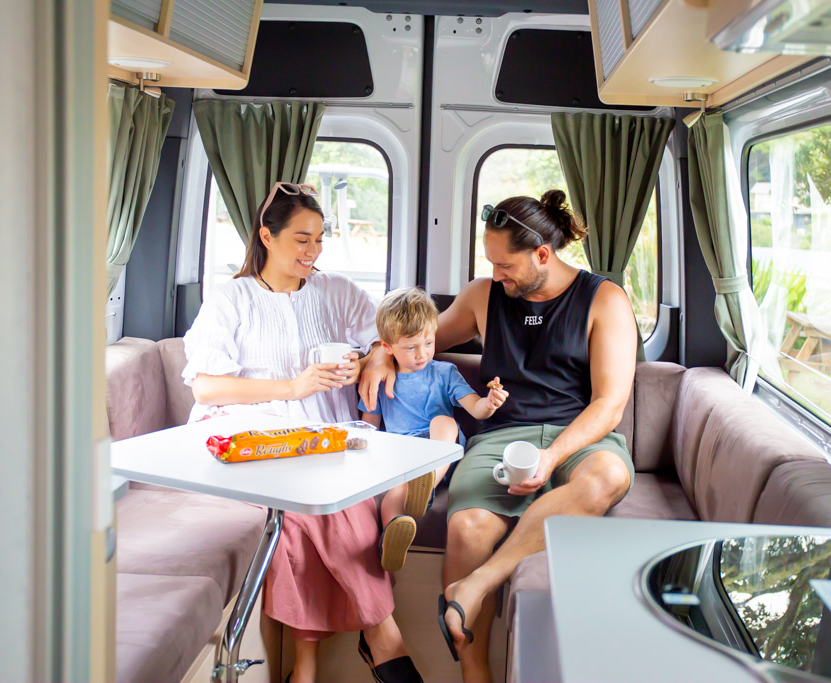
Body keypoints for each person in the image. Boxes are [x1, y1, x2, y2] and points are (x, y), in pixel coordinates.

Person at [360, 190, 637, 682]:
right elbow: (417, 340)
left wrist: (552, 457)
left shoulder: (604, 299)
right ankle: (475, 674)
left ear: (542, 255)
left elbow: (609, 405)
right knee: (466, 528)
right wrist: (379, 354)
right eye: (490, 263)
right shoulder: (483, 295)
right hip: (501, 437)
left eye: (505, 265)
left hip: (579, 438)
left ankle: (477, 584)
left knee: (609, 476)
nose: (496, 275)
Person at [182, 182, 422, 683]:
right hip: (251, 437)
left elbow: (381, 338)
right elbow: (205, 386)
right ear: (267, 237)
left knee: (298, 523)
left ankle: (305, 668)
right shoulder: (231, 299)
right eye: (301, 239)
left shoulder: (336, 291)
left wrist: (374, 359)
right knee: (320, 506)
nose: (314, 251)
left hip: (324, 436)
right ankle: (381, 631)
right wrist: (292, 387)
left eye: (320, 239)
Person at [358, 286, 509, 572]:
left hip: (441, 451)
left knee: (443, 421)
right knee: (393, 496)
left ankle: (427, 482)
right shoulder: (381, 379)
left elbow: (475, 408)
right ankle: (392, 536)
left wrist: (490, 402)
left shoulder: (443, 372)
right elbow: (368, 429)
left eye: (428, 343)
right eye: (411, 347)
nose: (422, 354)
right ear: (387, 347)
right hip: (402, 457)